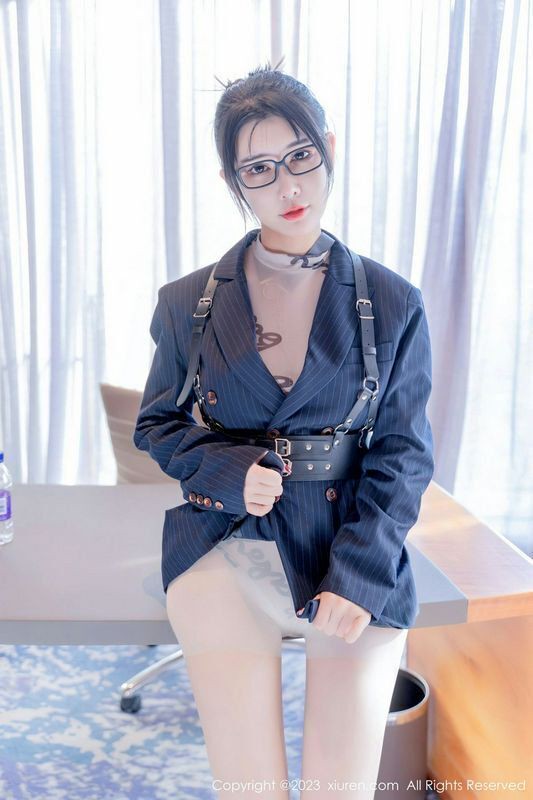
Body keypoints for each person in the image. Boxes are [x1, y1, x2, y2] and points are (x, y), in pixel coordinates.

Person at [134, 59, 434, 800]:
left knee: (340, 790)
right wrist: (227, 471)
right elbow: (158, 424)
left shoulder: (392, 302)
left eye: (299, 156)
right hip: (223, 548)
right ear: (234, 182)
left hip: (349, 547)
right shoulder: (186, 303)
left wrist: (359, 574)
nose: (287, 187)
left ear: (327, 146)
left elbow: (403, 453)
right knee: (251, 789)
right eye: (259, 169)